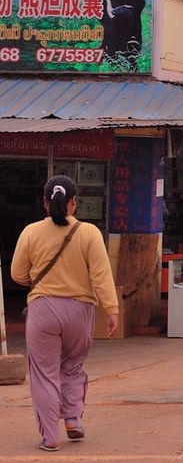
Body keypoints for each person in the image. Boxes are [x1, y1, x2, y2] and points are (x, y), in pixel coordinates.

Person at [10, 176, 119, 452]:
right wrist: (112, 309)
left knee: (45, 374)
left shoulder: (31, 232)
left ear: (45, 203)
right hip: (80, 311)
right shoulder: (89, 233)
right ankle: (72, 420)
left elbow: (17, 274)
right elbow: (101, 276)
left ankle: (50, 437)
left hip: (43, 310)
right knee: (72, 366)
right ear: (74, 203)